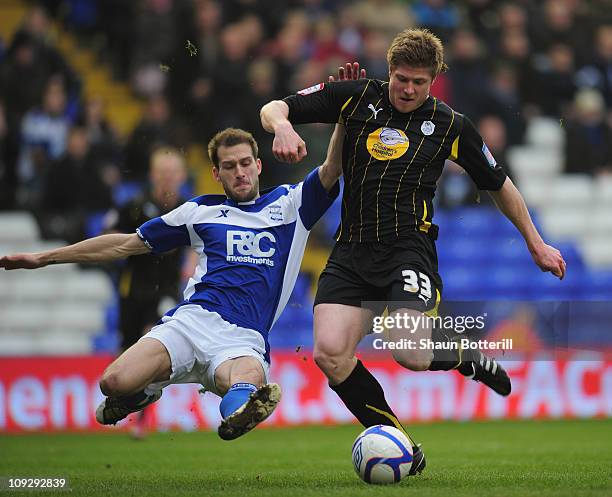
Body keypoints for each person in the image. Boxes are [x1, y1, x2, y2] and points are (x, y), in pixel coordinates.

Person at [261, 29, 566, 474]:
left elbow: (499, 184)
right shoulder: (357, 97)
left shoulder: (452, 125)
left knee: (408, 350)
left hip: (409, 250)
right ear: (389, 71)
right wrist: (284, 127)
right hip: (351, 252)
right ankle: (401, 443)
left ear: (434, 80)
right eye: (401, 79)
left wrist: (535, 243)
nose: (407, 90)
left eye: (418, 83)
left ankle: (468, 357)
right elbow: (275, 106)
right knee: (329, 353)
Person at [0, 126, 342, 441]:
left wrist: (347, 112)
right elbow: (121, 244)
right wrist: (43, 258)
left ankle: (238, 414)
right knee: (112, 382)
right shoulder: (198, 212)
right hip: (190, 324)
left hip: (242, 338)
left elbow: (331, 167)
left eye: (245, 163)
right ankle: (145, 392)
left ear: (259, 165)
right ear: (215, 173)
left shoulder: (291, 204)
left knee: (246, 378)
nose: (239, 172)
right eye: (229, 166)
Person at [103, 145, 193, 438]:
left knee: (149, 340)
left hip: (165, 289)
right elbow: (109, 236)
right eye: (162, 172)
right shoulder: (134, 206)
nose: (167, 178)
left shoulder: (188, 209)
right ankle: (128, 404)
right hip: (133, 288)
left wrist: (191, 264)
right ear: (153, 175)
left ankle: (141, 420)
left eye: (173, 173)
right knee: (127, 350)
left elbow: (198, 243)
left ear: (181, 176)